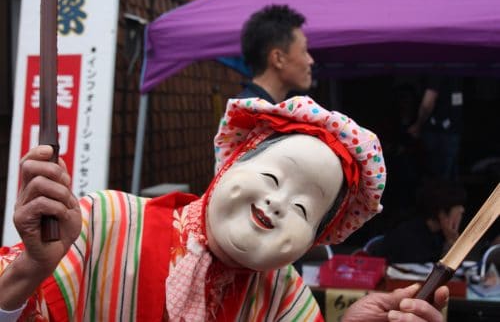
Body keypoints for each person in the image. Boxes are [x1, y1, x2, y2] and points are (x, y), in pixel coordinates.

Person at [0, 97, 448, 321]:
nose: (275, 203)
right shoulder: (104, 223)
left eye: (301, 208)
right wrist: (31, 269)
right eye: (272, 178)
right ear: (230, 164)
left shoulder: (285, 300)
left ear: (315, 240)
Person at [236, 5, 314, 103]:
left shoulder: (252, 108)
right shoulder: (249, 114)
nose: (311, 61)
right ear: (278, 58)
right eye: (304, 50)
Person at [378, 179, 467, 263]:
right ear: (442, 214)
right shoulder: (409, 235)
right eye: (458, 212)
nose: (461, 216)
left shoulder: (441, 234)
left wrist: (451, 242)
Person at [407, 75, 464, 180]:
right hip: (452, 130)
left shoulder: (437, 70)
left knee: (436, 177)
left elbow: (428, 101)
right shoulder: (456, 69)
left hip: (437, 132)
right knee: (449, 176)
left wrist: (418, 125)